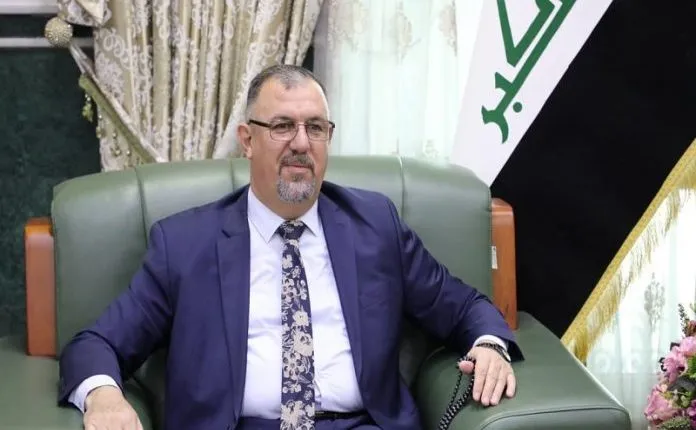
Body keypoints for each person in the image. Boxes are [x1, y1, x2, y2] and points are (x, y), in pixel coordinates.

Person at [58, 65, 523, 430]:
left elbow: (463, 306)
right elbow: (98, 343)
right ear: (247, 140)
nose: (302, 143)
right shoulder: (184, 244)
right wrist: (104, 395)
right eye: (282, 126)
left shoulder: (374, 226)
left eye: (315, 128)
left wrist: (488, 346)